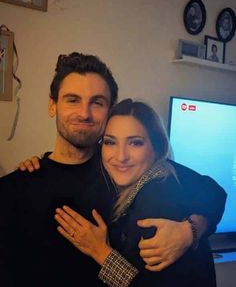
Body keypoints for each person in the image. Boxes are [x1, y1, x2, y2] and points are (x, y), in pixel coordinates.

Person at [5, 52, 225, 286]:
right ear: (52, 105)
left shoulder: (142, 178)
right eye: (72, 100)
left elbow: (213, 192)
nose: (84, 113)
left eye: (97, 102)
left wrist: (190, 230)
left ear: (109, 110)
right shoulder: (15, 188)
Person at [54, 99, 226, 287]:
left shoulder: (157, 199)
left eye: (135, 143)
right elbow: (214, 190)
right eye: (110, 142)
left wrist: (100, 251)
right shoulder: (162, 171)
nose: (120, 156)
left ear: (157, 147)